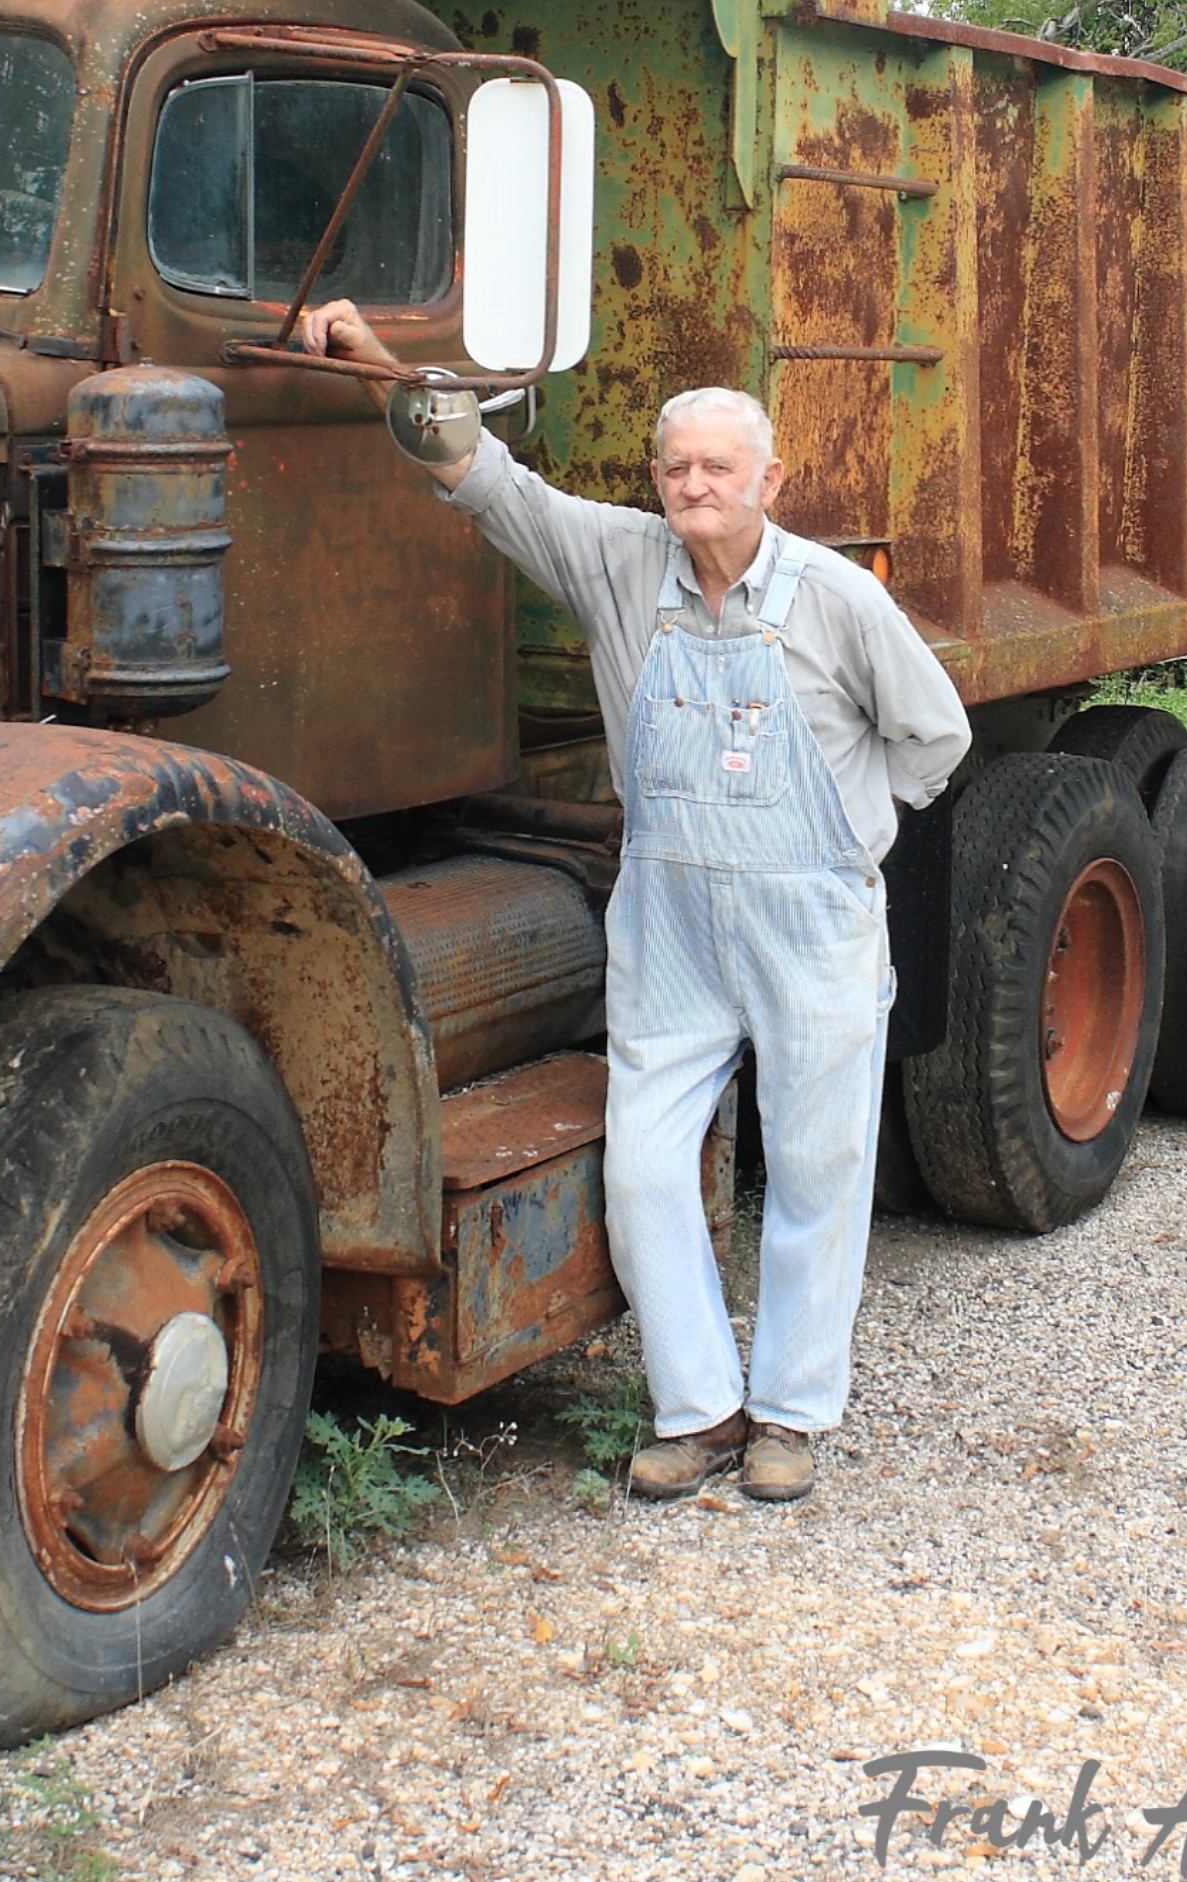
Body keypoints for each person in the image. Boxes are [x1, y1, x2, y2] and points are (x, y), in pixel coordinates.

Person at [299, 300, 971, 1504]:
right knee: (647, 1165)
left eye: (719, 465)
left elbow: (932, 737)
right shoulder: (612, 559)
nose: (694, 484)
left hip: (808, 914)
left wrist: (843, 841)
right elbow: (480, 475)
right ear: (652, 478)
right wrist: (380, 368)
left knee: (818, 1167)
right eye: (676, 466)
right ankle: (696, 1408)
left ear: (769, 476)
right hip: (665, 914)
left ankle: (790, 1417)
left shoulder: (833, 598)